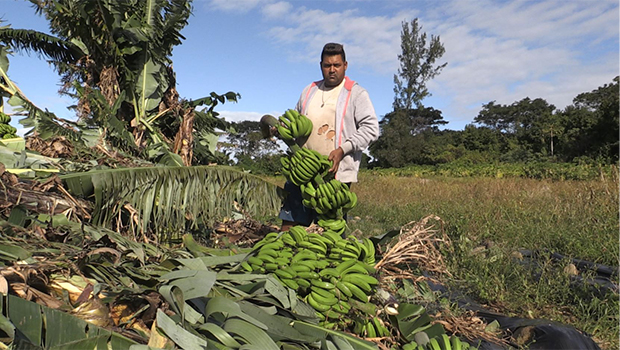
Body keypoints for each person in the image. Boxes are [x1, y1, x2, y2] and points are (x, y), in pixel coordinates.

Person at [279, 42, 379, 231]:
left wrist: (343, 149)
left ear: (345, 65)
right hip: (302, 169)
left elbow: (371, 128)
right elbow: (296, 122)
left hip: (334, 173)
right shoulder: (309, 91)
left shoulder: (356, 93)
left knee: (327, 229)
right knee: (290, 222)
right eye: (327, 65)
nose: (332, 70)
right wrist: (282, 129)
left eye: (337, 65)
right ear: (321, 66)